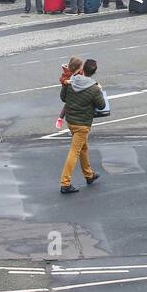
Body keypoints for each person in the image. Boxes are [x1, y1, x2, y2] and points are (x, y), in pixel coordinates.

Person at [58, 58, 105, 194]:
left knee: (83, 147)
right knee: (75, 152)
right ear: (94, 72)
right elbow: (101, 105)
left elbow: (63, 98)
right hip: (82, 124)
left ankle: (89, 175)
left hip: (71, 120)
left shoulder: (71, 81)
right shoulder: (94, 88)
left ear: (83, 69)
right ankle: (65, 183)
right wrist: (99, 90)